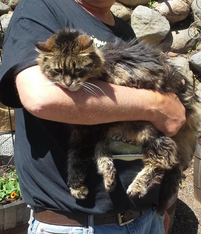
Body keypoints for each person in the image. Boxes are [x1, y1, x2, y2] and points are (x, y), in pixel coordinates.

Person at [0, 0, 186, 233]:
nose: (67, 83)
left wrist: (160, 208)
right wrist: (157, 104)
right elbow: (40, 97)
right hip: (79, 224)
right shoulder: (40, 8)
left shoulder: (122, 29)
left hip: (146, 218)